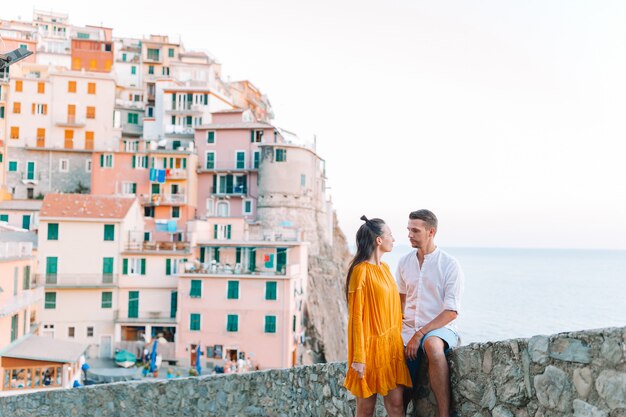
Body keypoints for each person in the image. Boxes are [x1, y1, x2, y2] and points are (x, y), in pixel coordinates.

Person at [396, 210, 464, 416]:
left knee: (432, 345)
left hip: (441, 329)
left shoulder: (449, 265)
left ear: (431, 232)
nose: (409, 234)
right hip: (407, 330)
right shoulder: (404, 262)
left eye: (415, 230)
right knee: (399, 391)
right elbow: (400, 300)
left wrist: (420, 334)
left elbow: (451, 312)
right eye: (408, 230)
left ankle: (444, 414)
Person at [344, 215, 412, 417]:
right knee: (365, 410)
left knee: (397, 405)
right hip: (368, 351)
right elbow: (356, 316)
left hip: (391, 348)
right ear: (379, 240)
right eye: (390, 234)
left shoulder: (386, 269)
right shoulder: (360, 271)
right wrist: (358, 358)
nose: (394, 238)